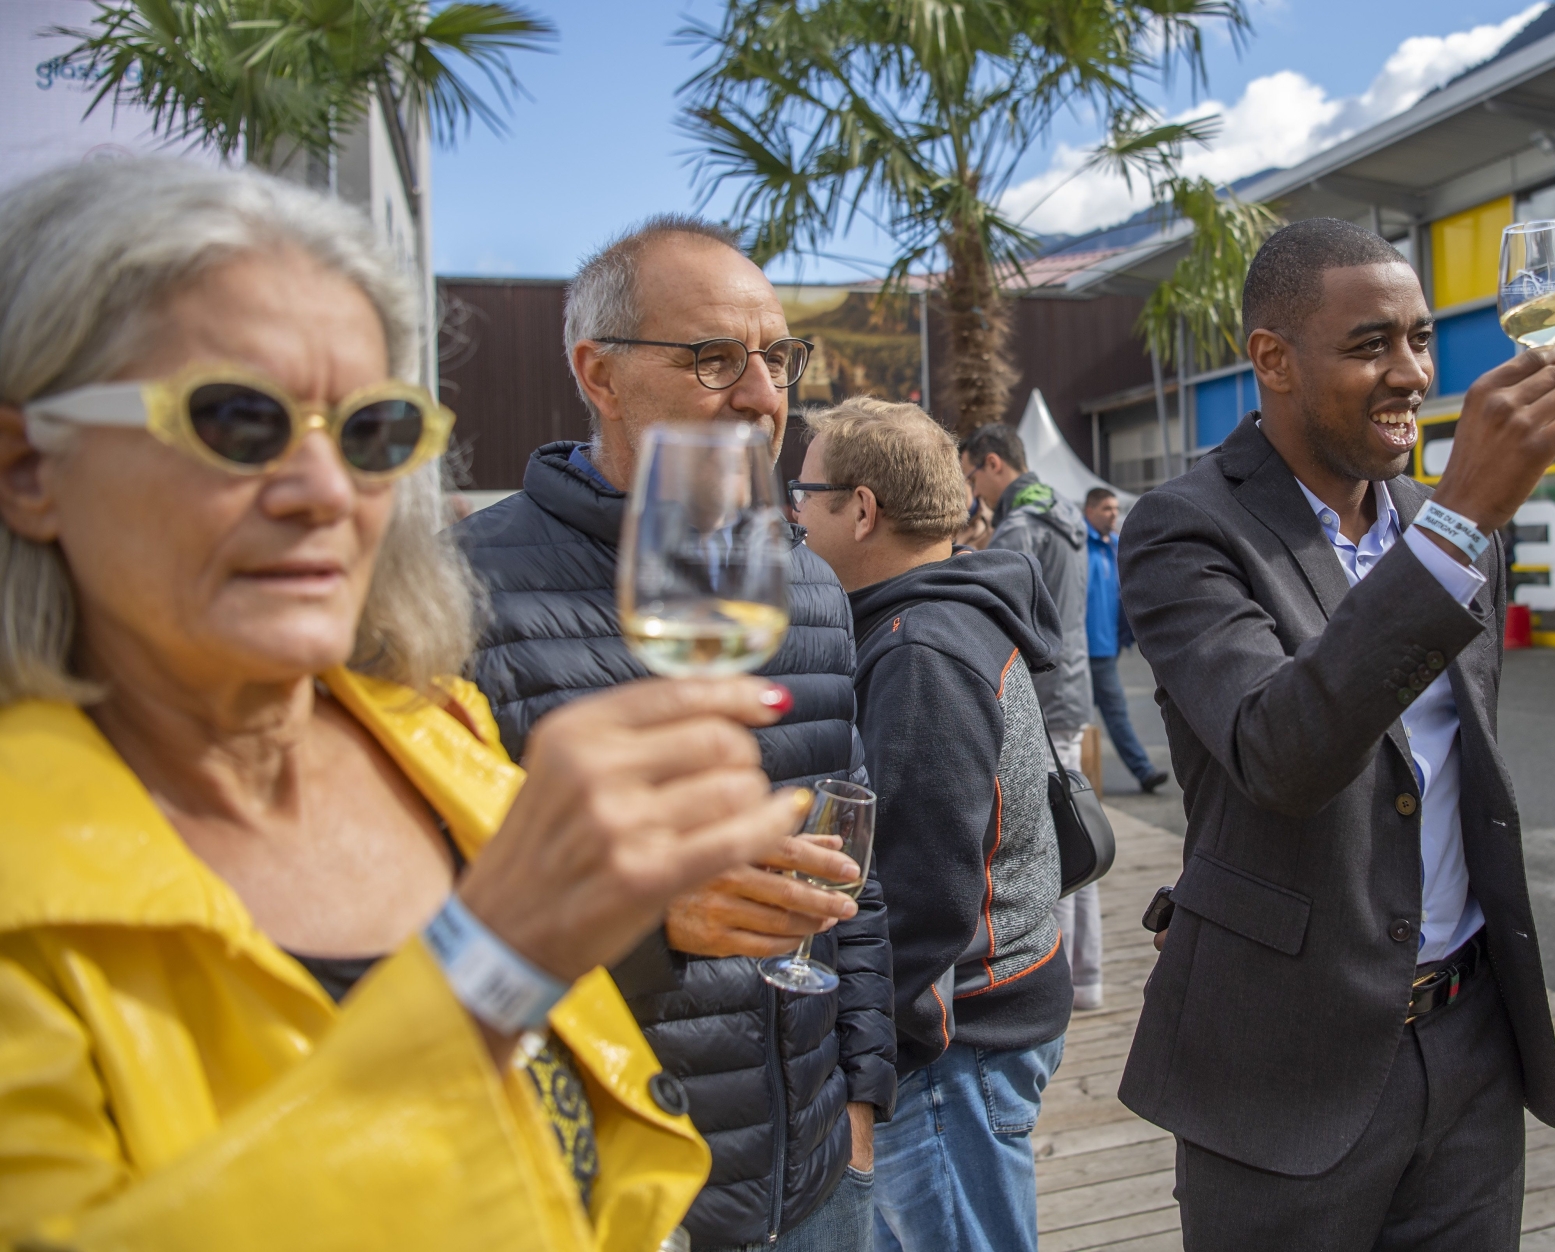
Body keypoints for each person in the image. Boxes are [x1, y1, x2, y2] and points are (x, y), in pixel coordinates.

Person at [0, 159, 814, 1249]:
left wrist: (642, 927)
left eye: (372, 432)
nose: (326, 489)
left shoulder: (428, 733)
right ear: (28, 466)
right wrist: (490, 965)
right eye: (236, 420)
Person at [1117, 218, 1555, 1249]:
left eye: (1422, 339)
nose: (1413, 372)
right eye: (1371, 343)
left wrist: (1453, 522)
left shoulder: (1437, 519)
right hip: (1285, 1064)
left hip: (1471, 1042)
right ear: (1273, 360)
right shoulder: (1185, 528)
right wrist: (1460, 522)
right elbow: (1277, 751)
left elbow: (1448, 771)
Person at [455, 218, 893, 1252]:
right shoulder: (461, 593)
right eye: (713, 359)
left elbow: (852, 868)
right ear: (597, 375)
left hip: (820, 1176)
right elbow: (430, 922)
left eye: (776, 357)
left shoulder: (810, 584)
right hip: (612, 1195)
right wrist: (647, 919)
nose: (760, 393)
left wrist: (862, 1098)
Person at [795, 398, 1072, 1252]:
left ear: (863, 508)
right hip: (975, 1024)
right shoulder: (939, 613)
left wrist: (868, 1063)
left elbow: (921, 898)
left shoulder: (920, 650)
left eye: (804, 496)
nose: (795, 516)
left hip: (954, 1045)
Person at [958, 424, 1101, 1009]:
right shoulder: (1065, 509)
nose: (974, 493)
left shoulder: (1018, 526)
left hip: (1040, 696)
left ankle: (1062, 974)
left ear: (993, 464)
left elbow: (997, 617)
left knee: (1055, 839)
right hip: (1072, 686)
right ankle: (1087, 975)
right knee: (1076, 823)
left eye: (972, 477)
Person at [1083, 487, 1170, 796]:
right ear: (1089, 511)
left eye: (1115, 509)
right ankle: (1142, 772)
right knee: (1092, 718)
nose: (1113, 514)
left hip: (1107, 647)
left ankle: (1142, 772)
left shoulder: (1115, 546)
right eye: (1107, 508)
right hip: (1082, 650)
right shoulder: (1078, 545)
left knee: (1093, 717)